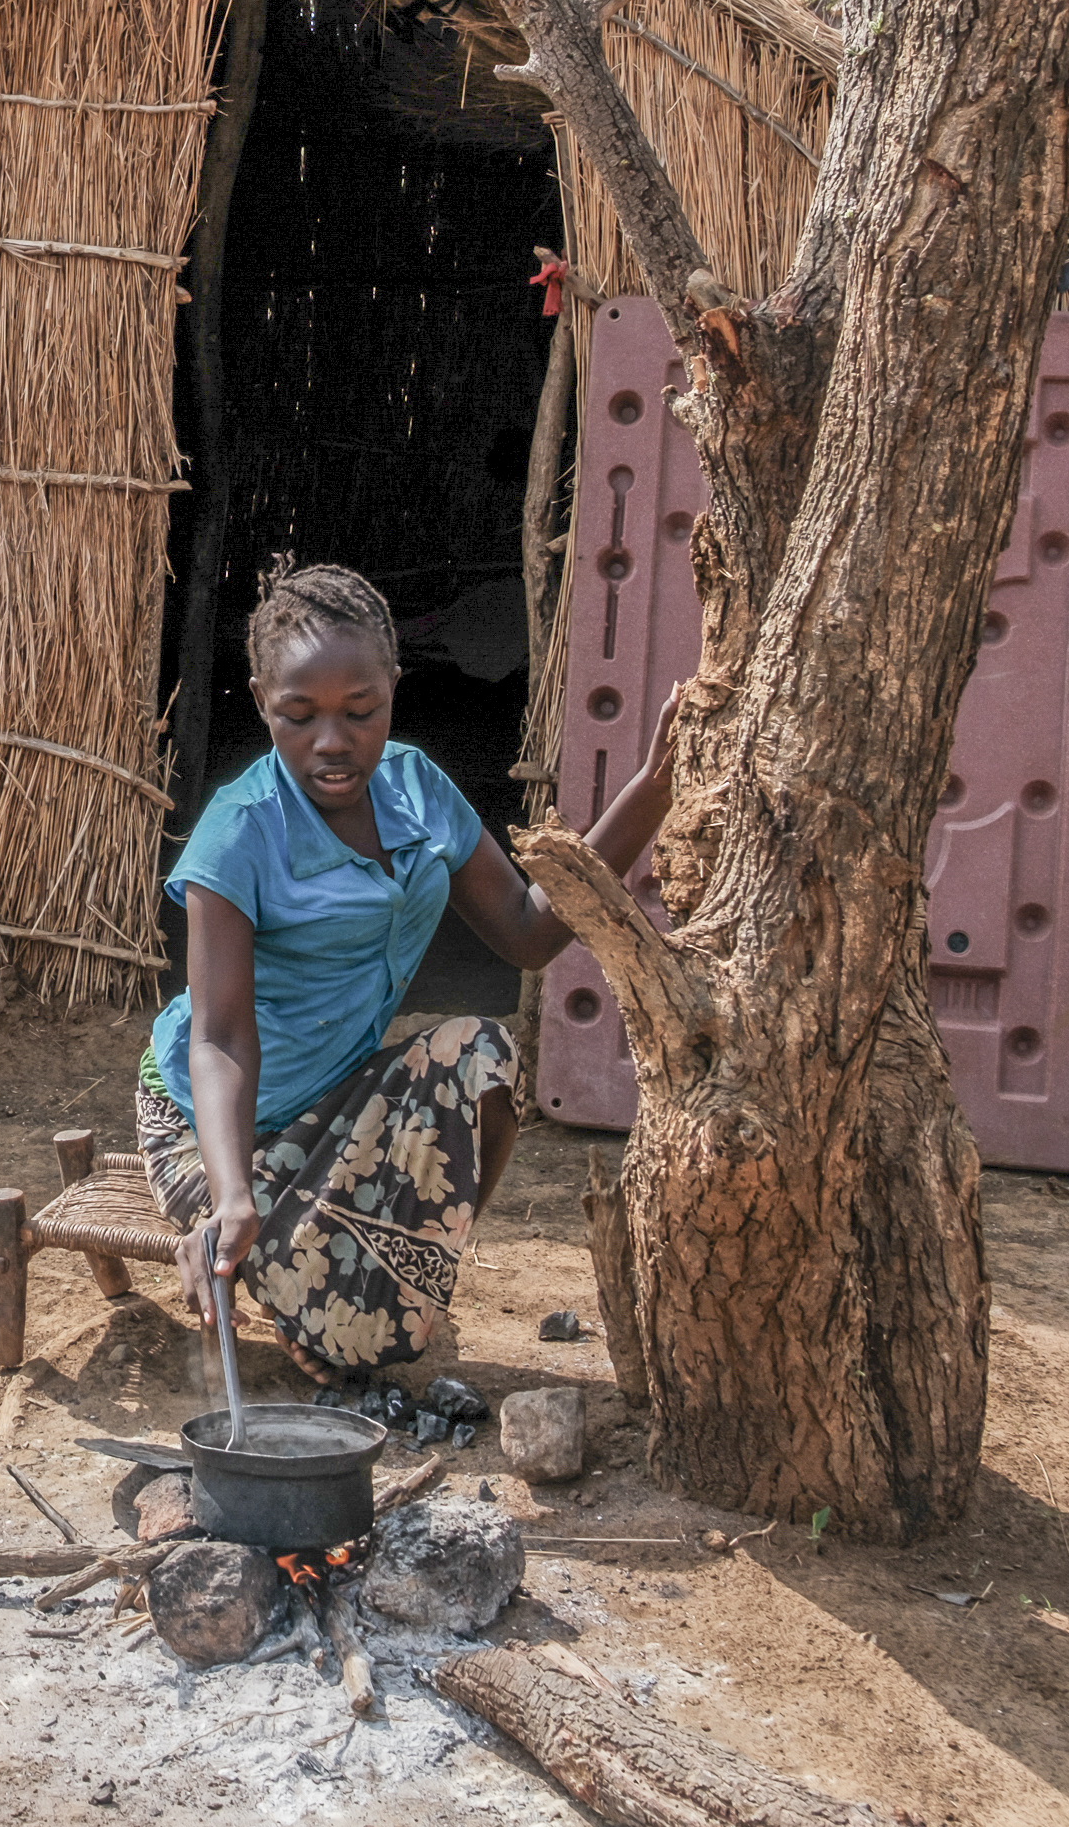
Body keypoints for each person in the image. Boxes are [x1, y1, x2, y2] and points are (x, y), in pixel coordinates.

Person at [146, 557, 675, 1399]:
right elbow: (218, 1035)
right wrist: (233, 1193)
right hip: (214, 1123)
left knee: (484, 1055)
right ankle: (310, 1266)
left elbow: (530, 933)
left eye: (361, 712)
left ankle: (401, 1275)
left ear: (394, 684)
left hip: (341, 1099)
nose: (332, 741)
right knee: (347, 1338)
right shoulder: (237, 835)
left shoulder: (418, 789)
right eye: (299, 715)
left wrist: (651, 792)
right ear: (258, 699)